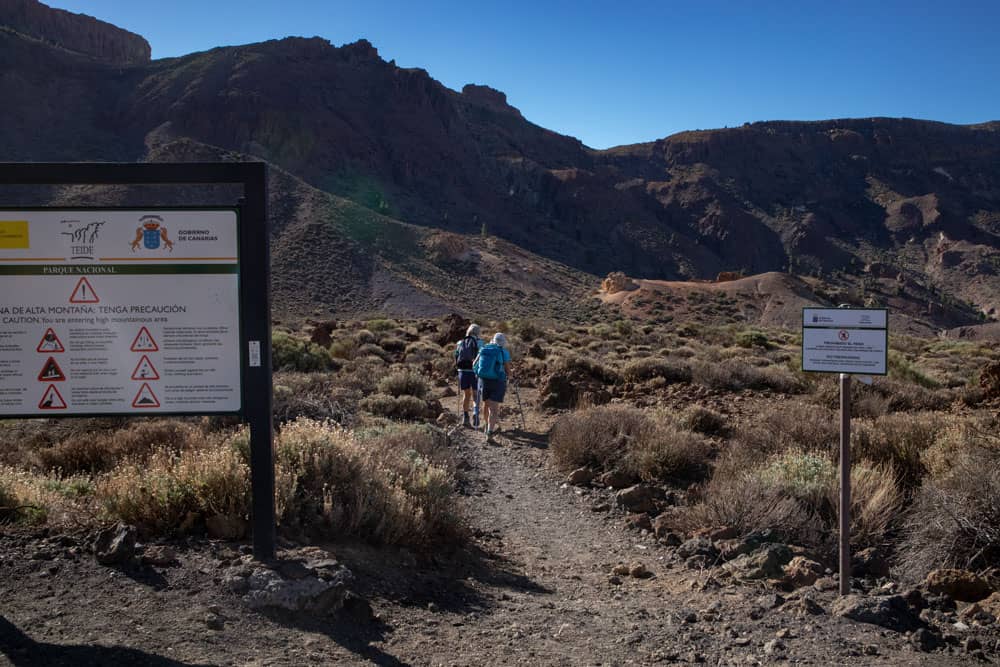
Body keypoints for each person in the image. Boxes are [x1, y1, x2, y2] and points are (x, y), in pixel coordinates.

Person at [473, 332, 512, 440]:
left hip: (484, 381)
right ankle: (490, 432)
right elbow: (508, 370)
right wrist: (511, 377)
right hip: (498, 382)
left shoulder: (483, 349)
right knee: (494, 409)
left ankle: (487, 425)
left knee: (486, 405)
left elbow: (474, 365)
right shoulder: (503, 352)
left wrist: (478, 374)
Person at [453, 323, 482, 427]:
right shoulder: (480, 342)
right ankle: (475, 412)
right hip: (474, 372)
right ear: (478, 332)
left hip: (462, 371)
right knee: (475, 395)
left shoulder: (460, 342)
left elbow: (456, 355)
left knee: (466, 394)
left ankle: (465, 417)